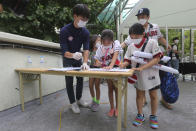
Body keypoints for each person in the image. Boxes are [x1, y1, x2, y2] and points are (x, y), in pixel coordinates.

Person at [121, 8, 170, 106]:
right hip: (141, 60)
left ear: (148, 17)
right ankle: (143, 99)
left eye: (143, 17)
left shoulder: (155, 27)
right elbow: (126, 42)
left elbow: (160, 37)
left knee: (159, 80)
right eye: (139, 17)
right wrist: (116, 49)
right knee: (141, 80)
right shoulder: (135, 30)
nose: (141, 19)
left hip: (155, 58)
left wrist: (167, 44)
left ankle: (164, 99)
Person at [120, 23, 163, 129]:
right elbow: (127, 60)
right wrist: (121, 65)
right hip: (138, 75)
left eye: (135, 35)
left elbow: (157, 58)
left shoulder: (152, 43)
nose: (133, 38)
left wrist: (142, 68)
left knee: (153, 95)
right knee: (139, 96)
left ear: (143, 34)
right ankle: (140, 115)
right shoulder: (130, 46)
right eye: (131, 36)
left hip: (151, 74)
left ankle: (153, 116)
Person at [60, 4, 90, 114]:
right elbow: (64, 51)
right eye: (82, 19)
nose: (84, 21)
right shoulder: (65, 30)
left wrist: (85, 62)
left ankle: (79, 98)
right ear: (75, 16)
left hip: (78, 58)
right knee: (69, 80)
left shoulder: (85, 32)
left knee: (80, 78)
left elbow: (86, 49)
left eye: (86, 19)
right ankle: (73, 102)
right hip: (68, 58)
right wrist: (72, 55)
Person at [94, 29, 122, 117]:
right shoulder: (100, 47)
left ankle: (117, 108)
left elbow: (115, 55)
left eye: (108, 40)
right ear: (102, 39)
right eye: (104, 40)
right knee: (110, 88)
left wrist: (111, 66)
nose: (106, 42)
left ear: (112, 39)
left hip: (116, 68)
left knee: (117, 89)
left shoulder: (116, 43)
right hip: (106, 69)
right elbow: (96, 58)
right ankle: (112, 108)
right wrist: (97, 62)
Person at [88, 34, 101, 112]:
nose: (99, 42)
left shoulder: (100, 51)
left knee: (97, 86)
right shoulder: (89, 51)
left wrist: (99, 63)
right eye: (98, 40)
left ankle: (97, 102)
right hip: (91, 70)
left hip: (99, 70)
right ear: (93, 42)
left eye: (100, 40)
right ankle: (93, 100)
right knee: (90, 85)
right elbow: (87, 61)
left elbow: (102, 61)